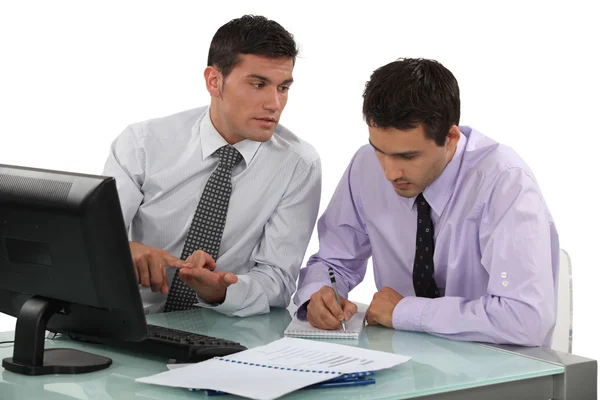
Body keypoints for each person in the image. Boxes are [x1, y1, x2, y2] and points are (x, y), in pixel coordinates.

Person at [294, 58, 558, 346]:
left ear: (451, 139)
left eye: (408, 157)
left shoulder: (505, 182)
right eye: (380, 150)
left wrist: (406, 312)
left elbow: (525, 319)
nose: (390, 172)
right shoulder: (365, 165)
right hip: (400, 363)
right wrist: (319, 295)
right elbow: (335, 261)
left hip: (494, 368)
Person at [103, 15, 321, 317]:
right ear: (214, 81)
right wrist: (124, 250)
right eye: (258, 84)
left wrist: (223, 290)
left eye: (283, 87)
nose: (274, 103)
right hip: (128, 317)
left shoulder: (298, 164)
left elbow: (279, 280)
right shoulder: (142, 144)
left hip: (220, 329)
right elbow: (91, 240)